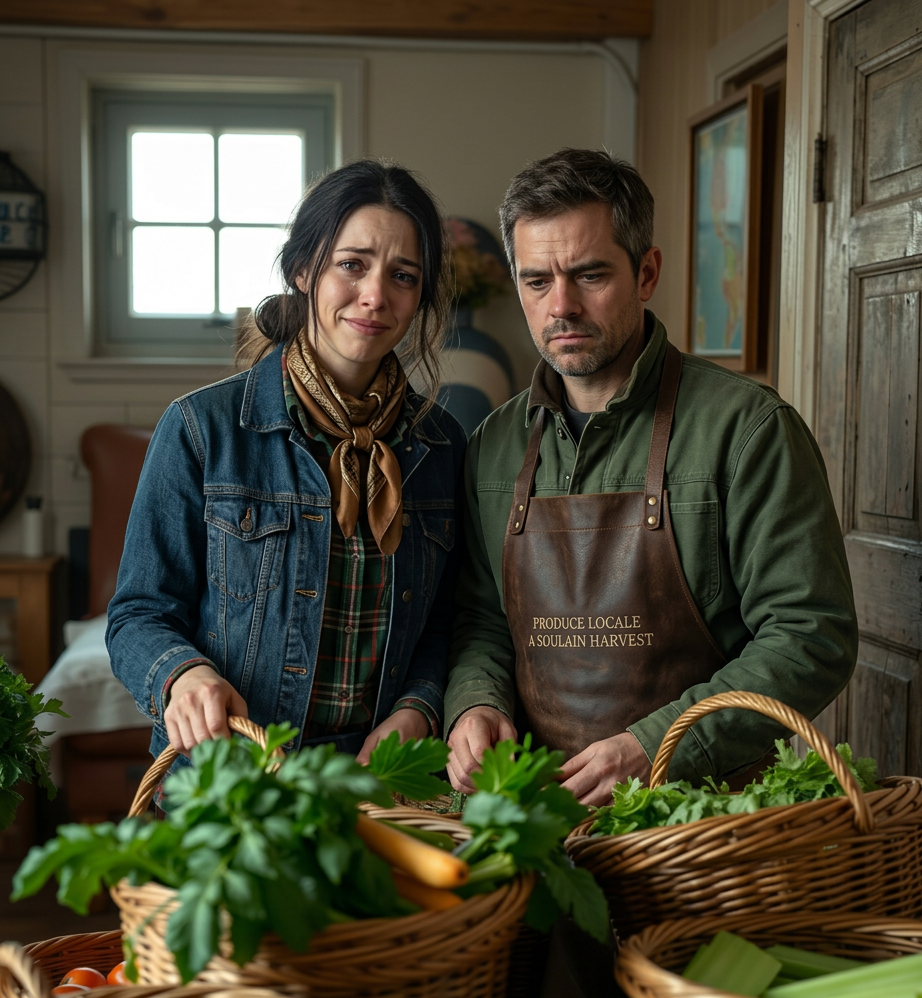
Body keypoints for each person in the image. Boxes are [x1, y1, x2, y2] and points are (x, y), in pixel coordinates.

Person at [445, 147, 857, 804]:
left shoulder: (747, 430)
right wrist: (474, 703)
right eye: (537, 281)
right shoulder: (492, 445)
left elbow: (811, 634)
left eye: (590, 275)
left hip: (702, 818)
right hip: (534, 809)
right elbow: (482, 619)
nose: (562, 307)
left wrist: (662, 745)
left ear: (647, 273)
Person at [108, 159, 466, 767]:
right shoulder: (202, 429)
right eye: (351, 264)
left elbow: (446, 622)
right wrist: (183, 675)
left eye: (403, 276)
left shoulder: (442, 447)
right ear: (304, 270)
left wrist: (420, 707)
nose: (375, 296)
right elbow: (139, 615)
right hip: (232, 786)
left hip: (377, 793)